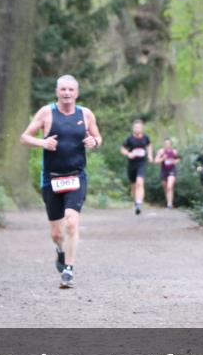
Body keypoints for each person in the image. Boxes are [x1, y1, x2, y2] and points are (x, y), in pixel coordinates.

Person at [20, 75, 102, 289]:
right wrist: (42, 142)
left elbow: (98, 138)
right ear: (57, 91)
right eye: (63, 89)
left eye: (71, 90)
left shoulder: (85, 114)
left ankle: (68, 270)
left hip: (76, 176)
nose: (67, 93)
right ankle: (60, 251)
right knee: (57, 233)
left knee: (72, 223)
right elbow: (24, 137)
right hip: (52, 178)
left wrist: (94, 142)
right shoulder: (47, 112)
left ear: (77, 92)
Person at [120, 119, 153, 214]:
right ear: (133, 128)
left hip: (142, 163)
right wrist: (128, 153)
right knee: (134, 185)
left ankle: (139, 204)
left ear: (142, 128)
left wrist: (150, 155)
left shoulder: (146, 138)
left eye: (139, 127)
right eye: (136, 127)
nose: (137, 129)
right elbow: (122, 149)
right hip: (132, 164)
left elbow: (149, 145)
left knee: (140, 182)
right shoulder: (129, 139)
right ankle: (136, 202)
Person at [155, 138, 180, 209]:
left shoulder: (174, 151)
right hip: (164, 171)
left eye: (168, 143)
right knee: (166, 187)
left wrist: (174, 161)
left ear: (171, 144)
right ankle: (168, 202)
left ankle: (170, 204)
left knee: (169, 186)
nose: (167, 145)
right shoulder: (161, 151)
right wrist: (163, 158)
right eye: (166, 143)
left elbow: (178, 159)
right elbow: (156, 161)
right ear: (164, 144)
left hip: (172, 170)